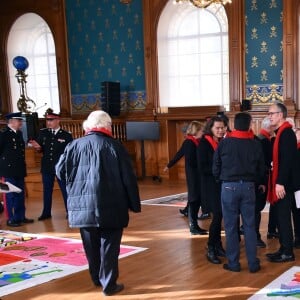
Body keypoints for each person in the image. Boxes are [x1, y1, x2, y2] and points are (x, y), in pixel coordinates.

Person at [55, 110, 141, 296]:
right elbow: (129, 178)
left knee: (91, 245)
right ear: (107, 126)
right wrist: (134, 204)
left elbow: (60, 171)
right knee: (109, 245)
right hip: (112, 204)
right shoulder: (115, 146)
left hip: (81, 206)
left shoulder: (73, 145)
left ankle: (96, 277)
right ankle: (108, 284)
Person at [213, 112, 265, 273]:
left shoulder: (225, 143)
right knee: (249, 226)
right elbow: (261, 168)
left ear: (234, 125)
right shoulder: (255, 144)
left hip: (228, 186)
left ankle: (234, 263)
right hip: (249, 186)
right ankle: (253, 263)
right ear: (250, 125)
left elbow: (216, 165)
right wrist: (257, 181)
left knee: (230, 227)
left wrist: (220, 179)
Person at [266, 102, 297, 263]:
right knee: (280, 217)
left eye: (271, 113)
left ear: (280, 115)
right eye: (269, 113)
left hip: (283, 184)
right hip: (281, 182)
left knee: (284, 218)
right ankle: (283, 248)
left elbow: (287, 161)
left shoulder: (286, 134)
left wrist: (280, 183)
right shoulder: (281, 132)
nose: (269, 116)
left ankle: (287, 252)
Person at [164, 121, 207, 235]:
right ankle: (193, 226)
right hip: (194, 176)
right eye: (202, 130)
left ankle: (195, 225)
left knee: (197, 199)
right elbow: (190, 160)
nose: (203, 132)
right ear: (196, 131)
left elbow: (178, 154)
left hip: (198, 175)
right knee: (194, 200)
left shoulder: (196, 142)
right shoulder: (189, 143)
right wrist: (169, 165)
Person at [29, 111, 73, 220]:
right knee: (47, 190)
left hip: (61, 167)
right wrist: (37, 147)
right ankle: (46, 212)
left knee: (65, 190)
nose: (48, 122)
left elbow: (70, 152)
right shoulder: (43, 133)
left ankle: (70, 212)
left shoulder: (66, 135)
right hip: (47, 167)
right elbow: (40, 149)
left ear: (58, 120)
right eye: (47, 120)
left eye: (51, 120)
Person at [197, 116, 226, 264]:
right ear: (211, 129)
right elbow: (202, 168)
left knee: (220, 217)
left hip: (220, 185)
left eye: (222, 128)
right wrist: (220, 171)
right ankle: (210, 248)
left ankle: (218, 245)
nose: (220, 130)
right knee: (217, 216)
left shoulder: (221, 142)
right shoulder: (204, 143)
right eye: (217, 128)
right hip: (210, 186)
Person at [0, 112, 34, 227]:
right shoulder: (3, 134)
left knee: (20, 194)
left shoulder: (19, 133)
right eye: (19, 121)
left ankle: (20, 216)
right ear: (12, 121)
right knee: (10, 195)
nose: (20, 123)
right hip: (8, 170)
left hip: (19, 169)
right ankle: (11, 219)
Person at [255, 117, 274, 248]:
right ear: (270, 127)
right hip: (261, 178)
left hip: (261, 176)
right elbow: (262, 163)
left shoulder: (261, 138)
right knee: (257, 207)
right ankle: (254, 235)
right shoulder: (263, 141)